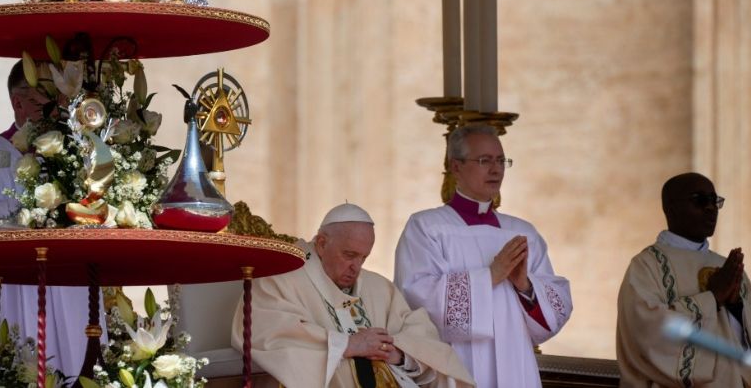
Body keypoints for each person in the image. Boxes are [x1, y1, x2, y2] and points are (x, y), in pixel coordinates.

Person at [0, 60, 99, 380]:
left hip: (67, 285)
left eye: (60, 97)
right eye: (48, 97)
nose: (58, 106)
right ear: (19, 103)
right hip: (10, 283)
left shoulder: (71, 156)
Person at [394, 125, 572, 387]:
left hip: (516, 362)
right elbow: (416, 300)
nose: (496, 169)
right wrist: (489, 277)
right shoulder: (427, 227)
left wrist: (525, 287)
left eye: (501, 160)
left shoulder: (523, 232)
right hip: (457, 363)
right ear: (456, 167)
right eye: (484, 160)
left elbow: (555, 314)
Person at [231, 203, 475, 388]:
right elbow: (267, 334)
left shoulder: (379, 287)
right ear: (322, 244)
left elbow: (422, 338)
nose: (356, 267)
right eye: (349, 255)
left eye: (363, 257)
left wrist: (398, 354)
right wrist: (347, 344)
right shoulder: (281, 277)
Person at [616, 172, 751, 387]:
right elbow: (646, 333)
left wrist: (735, 308)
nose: (710, 208)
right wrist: (712, 298)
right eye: (699, 200)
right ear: (670, 207)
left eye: (714, 201)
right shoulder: (646, 266)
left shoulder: (729, 269)